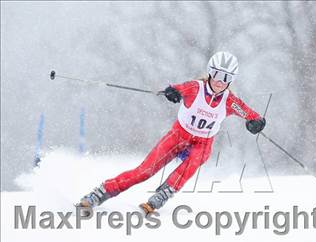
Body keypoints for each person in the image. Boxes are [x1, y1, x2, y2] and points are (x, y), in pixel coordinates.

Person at [76, 51, 266, 216]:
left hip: (202, 143)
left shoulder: (229, 101)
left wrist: (256, 122)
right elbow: (179, 89)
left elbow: (251, 115)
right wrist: (172, 92)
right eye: (216, 74)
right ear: (210, 72)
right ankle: (100, 193)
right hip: (179, 136)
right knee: (144, 171)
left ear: (231, 80)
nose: (219, 81)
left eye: (225, 78)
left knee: (197, 158)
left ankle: (165, 192)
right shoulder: (195, 88)